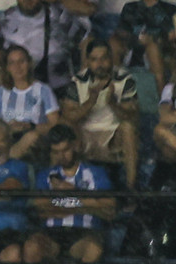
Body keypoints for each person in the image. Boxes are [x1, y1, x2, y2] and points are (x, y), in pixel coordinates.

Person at [23, 125, 113, 264]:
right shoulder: (45, 175)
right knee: (31, 247)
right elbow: (42, 210)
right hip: (52, 234)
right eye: (56, 152)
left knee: (94, 248)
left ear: (76, 146)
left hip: (84, 234)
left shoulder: (95, 173)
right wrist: (87, 204)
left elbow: (109, 209)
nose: (62, 156)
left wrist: (70, 192)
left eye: (65, 150)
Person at [58, 38, 141, 185]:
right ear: (88, 62)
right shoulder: (78, 80)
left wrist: (113, 103)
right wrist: (91, 101)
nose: (100, 64)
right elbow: (69, 116)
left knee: (128, 127)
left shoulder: (124, 79)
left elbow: (131, 115)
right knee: (64, 125)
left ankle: (131, 188)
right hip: (85, 136)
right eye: (94, 60)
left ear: (111, 58)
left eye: (104, 58)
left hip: (112, 136)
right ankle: (61, 183)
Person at [0, 0, 85, 93]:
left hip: (60, 92)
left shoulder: (60, 16)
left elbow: (86, 41)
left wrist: (83, 79)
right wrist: (1, 75)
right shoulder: (6, 19)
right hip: (20, 92)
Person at [0, 44, 60, 159]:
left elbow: (55, 125)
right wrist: (9, 128)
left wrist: (30, 126)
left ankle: (6, 160)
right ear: (7, 68)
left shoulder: (43, 90)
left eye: (22, 61)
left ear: (29, 63)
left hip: (36, 142)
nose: (18, 67)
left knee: (31, 137)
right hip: (8, 138)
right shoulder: (0, 93)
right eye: (12, 63)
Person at [114, 0, 176, 85]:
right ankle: (114, 88)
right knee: (113, 43)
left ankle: (161, 98)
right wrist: (136, 39)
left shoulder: (170, 9)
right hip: (132, 51)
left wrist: (154, 40)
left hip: (160, 53)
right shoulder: (130, 8)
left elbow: (173, 37)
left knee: (153, 47)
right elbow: (121, 33)